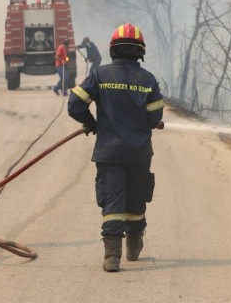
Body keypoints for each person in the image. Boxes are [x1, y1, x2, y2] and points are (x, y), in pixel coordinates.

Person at [67, 23, 164, 272]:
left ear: (113, 50)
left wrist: (92, 123)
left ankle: (112, 256)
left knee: (112, 203)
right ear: (140, 51)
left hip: (109, 153)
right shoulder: (148, 79)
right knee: (136, 202)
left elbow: (75, 104)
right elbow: (154, 118)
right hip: (139, 154)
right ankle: (133, 246)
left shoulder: (100, 75)